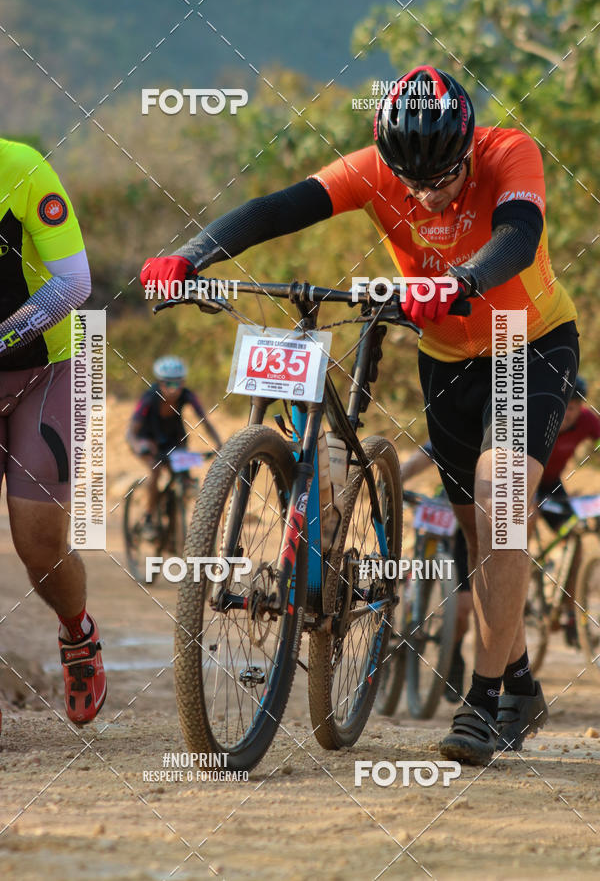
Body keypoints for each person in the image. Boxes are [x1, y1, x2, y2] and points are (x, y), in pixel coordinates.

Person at [140, 65, 580, 764]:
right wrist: (191, 255)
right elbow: (278, 208)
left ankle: (482, 699)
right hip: (445, 355)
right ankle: (520, 682)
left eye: (444, 178)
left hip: (525, 342)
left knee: (500, 504)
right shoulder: (373, 169)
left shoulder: (509, 152)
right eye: (414, 183)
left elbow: (519, 237)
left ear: (468, 146)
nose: (429, 196)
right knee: (478, 535)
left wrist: (461, 279)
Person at [0, 137, 106, 733]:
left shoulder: (22, 169)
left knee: (37, 542)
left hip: (50, 368)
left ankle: (77, 633)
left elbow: (73, 284)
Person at [399, 443, 472, 704]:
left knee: (463, 610)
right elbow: (427, 453)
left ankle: (452, 654)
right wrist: (395, 478)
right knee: (421, 549)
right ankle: (409, 606)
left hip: (477, 526)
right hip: (448, 507)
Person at [533, 375, 600, 645]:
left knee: (577, 537)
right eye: (564, 407)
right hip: (524, 480)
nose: (568, 414)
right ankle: (520, 568)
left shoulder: (587, 421)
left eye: (573, 408)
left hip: (551, 484)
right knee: (523, 524)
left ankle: (571, 613)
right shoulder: (539, 418)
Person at [126, 355, 222, 533]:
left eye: (179, 383)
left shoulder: (188, 395)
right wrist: (139, 446)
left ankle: (175, 515)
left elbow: (205, 421)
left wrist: (219, 444)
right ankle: (148, 516)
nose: (174, 389)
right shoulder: (149, 398)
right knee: (155, 470)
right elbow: (132, 431)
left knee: (183, 474)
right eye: (169, 383)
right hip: (147, 440)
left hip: (173, 439)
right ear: (160, 383)